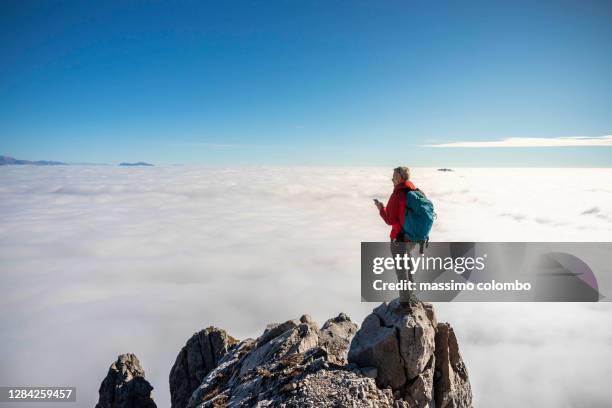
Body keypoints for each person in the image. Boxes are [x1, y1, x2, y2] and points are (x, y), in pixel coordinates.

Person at [374, 166, 421, 305]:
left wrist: (381, 208)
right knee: (408, 266)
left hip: (399, 239)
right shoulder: (416, 191)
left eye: (393, 176)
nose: (391, 179)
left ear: (400, 178)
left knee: (401, 271)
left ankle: (405, 304)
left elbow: (390, 220)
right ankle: (412, 294)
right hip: (413, 238)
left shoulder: (398, 194)